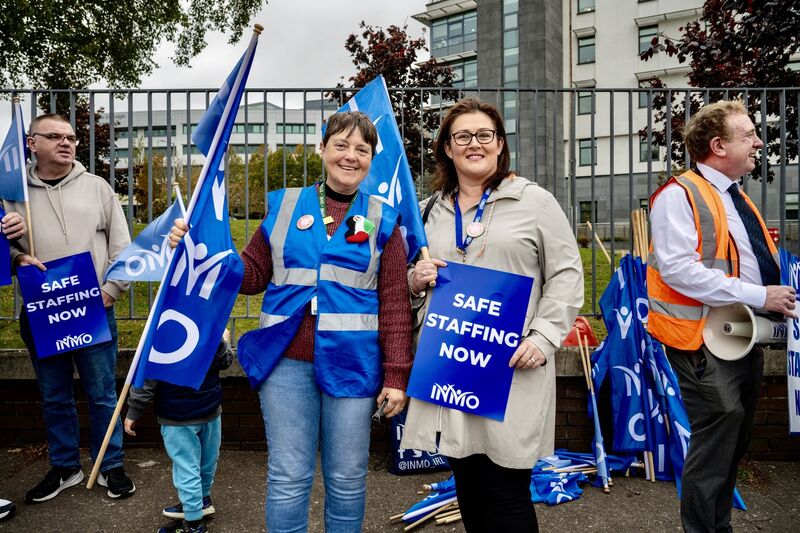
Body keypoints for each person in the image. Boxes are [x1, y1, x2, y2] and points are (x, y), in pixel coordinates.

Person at [170, 111, 413, 532]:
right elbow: (250, 275)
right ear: (322, 149)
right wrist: (200, 249)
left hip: (353, 366)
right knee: (288, 477)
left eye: (362, 149)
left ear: (372, 158)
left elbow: (394, 304)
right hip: (286, 361)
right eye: (341, 145)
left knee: (347, 479)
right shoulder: (284, 205)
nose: (350, 156)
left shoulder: (384, 219)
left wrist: (396, 375)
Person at [400, 97, 584, 532]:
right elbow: (408, 283)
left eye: (485, 135)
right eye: (462, 136)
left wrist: (543, 337)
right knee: (468, 487)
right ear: (447, 148)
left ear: (500, 145)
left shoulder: (534, 201)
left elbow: (567, 273)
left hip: (511, 364)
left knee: (506, 490)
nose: (474, 144)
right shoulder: (429, 211)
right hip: (452, 366)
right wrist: (414, 280)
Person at [647, 100, 796, 532]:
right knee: (719, 433)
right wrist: (759, 294)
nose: (758, 142)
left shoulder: (734, 195)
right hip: (700, 337)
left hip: (738, 333)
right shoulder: (679, 195)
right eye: (748, 134)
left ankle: (718, 526)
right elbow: (679, 270)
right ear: (718, 145)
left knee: (733, 437)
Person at [2, 114, 135, 502]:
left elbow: (121, 245)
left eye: (71, 137)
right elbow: (2, 251)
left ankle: (110, 466)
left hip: (93, 308)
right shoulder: (11, 194)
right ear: (32, 143)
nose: (66, 142)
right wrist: (13, 256)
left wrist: (111, 289)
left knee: (102, 393)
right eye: (55, 136)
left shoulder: (97, 187)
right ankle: (65, 467)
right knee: (54, 394)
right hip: (42, 312)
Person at [125, 329, 233, 533]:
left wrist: (134, 411)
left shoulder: (162, 332)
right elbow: (226, 360)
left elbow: (146, 379)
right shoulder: (208, 328)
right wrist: (224, 339)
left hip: (177, 417)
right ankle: (200, 501)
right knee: (207, 463)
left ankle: (193, 523)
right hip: (210, 410)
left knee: (186, 468)